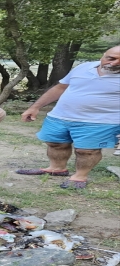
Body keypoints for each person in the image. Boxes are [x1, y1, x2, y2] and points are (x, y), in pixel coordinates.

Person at [16, 46, 120, 189]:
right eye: (111, 58)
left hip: (100, 122)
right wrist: (35, 107)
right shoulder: (83, 67)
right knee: (55, 143)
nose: (115, 63)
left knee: (87, 151)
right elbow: (60, 88)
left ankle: (80, 176)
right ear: (104, 55)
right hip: (60, 116)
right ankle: (57, 168)